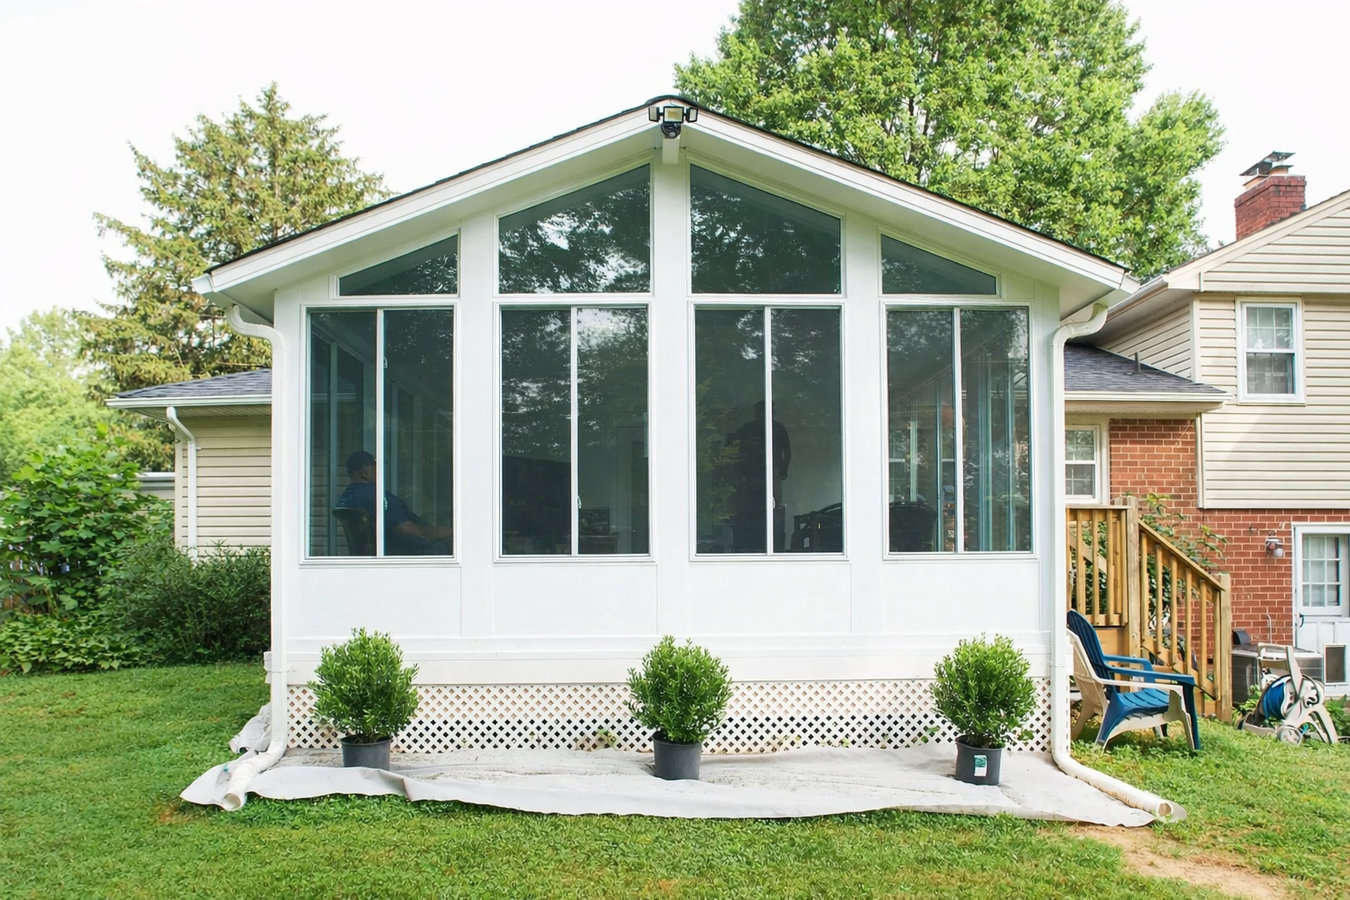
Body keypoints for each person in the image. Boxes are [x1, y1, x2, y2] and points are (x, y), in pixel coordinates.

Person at [337, 450, 452, 555]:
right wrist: (440, 532)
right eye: (376, 467)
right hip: (402, 554)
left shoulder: (346, 498)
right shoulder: (376, 496)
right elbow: (406, 529)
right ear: (365, 473)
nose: (380, 471)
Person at [726, 401, 791, 552]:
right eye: (761, 411)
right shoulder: (749, 428)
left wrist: (783, 470)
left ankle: (771, 545)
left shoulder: (778, 428)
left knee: (772, 508)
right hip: (751, 475)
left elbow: (787, 452)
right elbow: (732, 444)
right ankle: (754, 544)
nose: (763, 414)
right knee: (751, 508)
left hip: (769, 474)